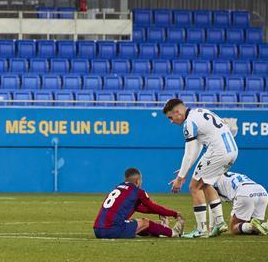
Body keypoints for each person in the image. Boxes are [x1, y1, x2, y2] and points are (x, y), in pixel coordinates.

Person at [165, 98, 238, 238]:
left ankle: (201, 230)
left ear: (178, 112)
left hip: (218, 151)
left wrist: (180, 178)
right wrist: (184, 171)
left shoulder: (189, 123)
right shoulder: (200, 112)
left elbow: (189, 152)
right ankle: (220, 223)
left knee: (194, 187)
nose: (171, 121)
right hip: (232, 151)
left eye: (170, 117)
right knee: (205, 184)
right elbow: (197, 148)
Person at [94, 167, 185, 239]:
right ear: (137, 181)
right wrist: (174, 213)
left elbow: (140, 208)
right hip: (112, 230)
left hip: (98, 230)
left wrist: (160, 212)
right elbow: (152, 207)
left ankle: (160, 231)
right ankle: (173, 233)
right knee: (145, 222)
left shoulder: (117, 188)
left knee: (134, 222)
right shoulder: (137, 192)